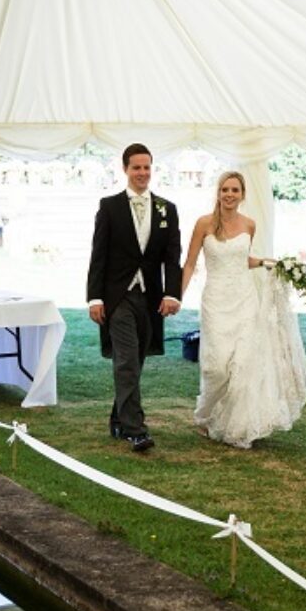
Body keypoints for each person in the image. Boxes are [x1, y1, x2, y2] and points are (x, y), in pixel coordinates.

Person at [180, 171, 306, 448]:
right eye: (225, 189)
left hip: (244, 299)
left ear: (242, 195)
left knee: (241, 364)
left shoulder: (249, 225)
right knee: (217, 366)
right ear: (218, 193)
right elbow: (190, 262)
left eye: (235, 190)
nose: (229, 194)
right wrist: (177, 295)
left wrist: (264, 262)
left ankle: (236, 424)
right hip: (216, 300)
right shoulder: (204, 223)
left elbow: (240, 259)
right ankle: (204, 414)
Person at [86, 143, 183, 452]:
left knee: (136, 361)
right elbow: (98, 256)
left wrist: (172, 293)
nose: (142, 173)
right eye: (136, 167)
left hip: (151, 297)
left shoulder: (167, 208)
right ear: (125, 169)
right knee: (126, 360)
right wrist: (94, 298)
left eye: (147, 167)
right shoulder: (109, 206)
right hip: (117, 297)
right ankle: (135, 429)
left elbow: (172, 257)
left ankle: (118, 416)